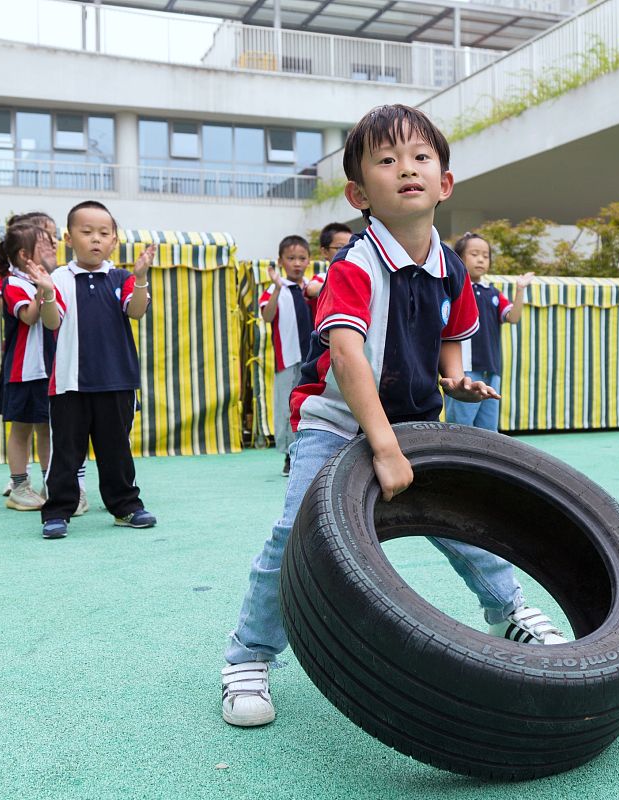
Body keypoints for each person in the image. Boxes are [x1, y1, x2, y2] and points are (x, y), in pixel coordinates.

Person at [220, 104, 565, 728]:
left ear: (445, 182)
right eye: (386, 160)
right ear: (359, 193)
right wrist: (382, 446)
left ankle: (508, 610)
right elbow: (348, 356)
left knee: (461, 520)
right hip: (336, 423)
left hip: (413, 421)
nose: (406, 168)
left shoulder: (451, 266)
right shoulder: (355, 265)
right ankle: (249, 655)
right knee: (296, 531)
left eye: (420, 158)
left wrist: (455, 374)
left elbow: (454, 331)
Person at [40, 200, 158, 540]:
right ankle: (58, 511)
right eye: (86, 231)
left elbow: (136, 312)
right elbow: (52, 321)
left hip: (117, 381)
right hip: (69, 383)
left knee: (116, 449)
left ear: (114, 241)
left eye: (104, 233)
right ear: (68, 237)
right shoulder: (58, 278)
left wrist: (140, 278)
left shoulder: (121, 278)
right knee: (65, 452)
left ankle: (126, 507)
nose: (95, 239)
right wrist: (47, 294)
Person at [0, 222, 63, 512]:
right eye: (46, 244)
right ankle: (19, 487)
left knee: (47, 428)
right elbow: (31, 317)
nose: (55, 247)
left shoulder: (52, 278)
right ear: (24, 255)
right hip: (24, 371)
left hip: (49, 369)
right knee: (21, 429)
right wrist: (43, 288)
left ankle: (50, 482)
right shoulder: (13, 284)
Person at [443, 232, 534, 431]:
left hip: (491, 369)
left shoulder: (493, 293)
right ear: (459, 258)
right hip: (464, 370)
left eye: (485, 255)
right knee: (461, 428)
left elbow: (513, 317)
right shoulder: (453, 288)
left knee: (488, 431)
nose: (481, 259)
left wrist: (520, 290)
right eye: (474, 254)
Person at [259, 235, 313, 476]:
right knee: (286, 408)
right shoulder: (274, 289)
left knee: (311, 407)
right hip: (287, 359)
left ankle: (309, 453)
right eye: (291, 258)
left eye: (302, 258)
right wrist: (278, 288)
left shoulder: (311, 287)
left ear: (309, 260)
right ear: (281, 261)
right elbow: (267, 317)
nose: (297, 263)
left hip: (312, 358)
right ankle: (289, 455)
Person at [305, 222, 353, 319]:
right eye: (340, 248)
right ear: (325, 252)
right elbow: (311, 289)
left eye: (351, 247)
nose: (348, 251)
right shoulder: (322, 277)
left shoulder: (357, 275)